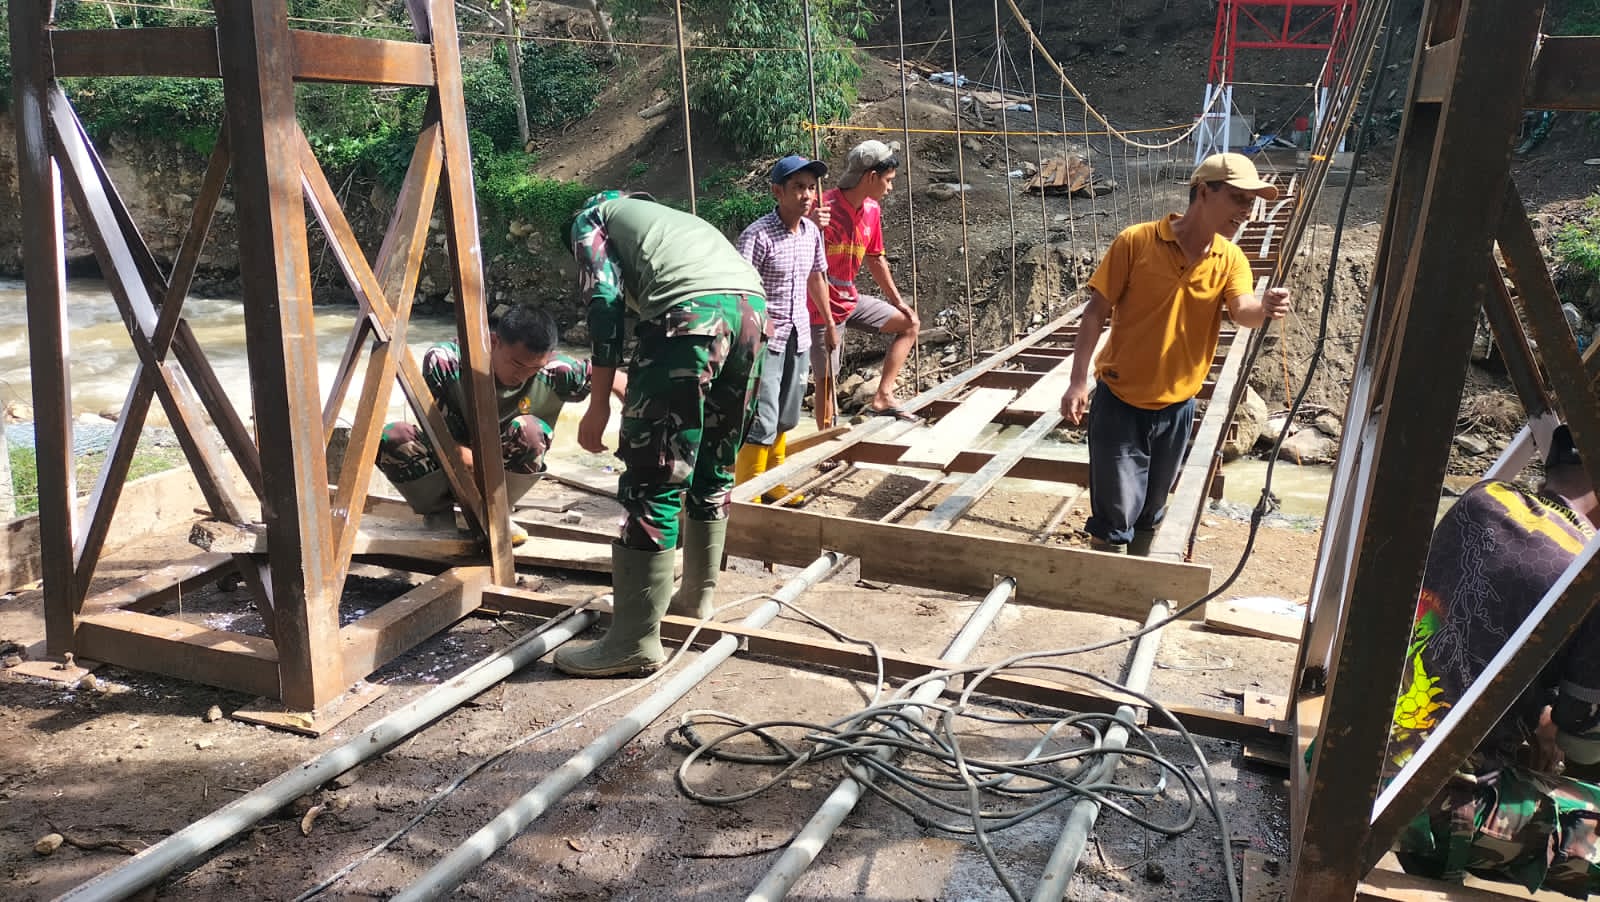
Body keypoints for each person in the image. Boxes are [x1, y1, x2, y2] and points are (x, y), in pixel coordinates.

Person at [1374, 424, 1600, 895]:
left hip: (1354, 764)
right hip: (1430, 809)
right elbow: (1582, 748)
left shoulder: (1481, 498)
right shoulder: (1589, 572)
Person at [554, 191, 767, 677]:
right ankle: (695, 599)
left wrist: (598, 404)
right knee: (714, 463)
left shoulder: (589, 220)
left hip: (690, 317)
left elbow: (605, 304)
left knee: (654, 477)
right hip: (752, 315)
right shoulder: (665, 219)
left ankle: (633, 643)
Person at [1058, 152, 1292, 555]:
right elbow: (1095, 313)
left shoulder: (1231, 259)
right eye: (1238, 198)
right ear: (1204, 192)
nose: (1246, 211)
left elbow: (1243, 311)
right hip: (1120, 401)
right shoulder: (1136, 242)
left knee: (1151, 511)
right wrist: (1078, 382)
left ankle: (1137, 579)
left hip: (1178, 408)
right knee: (1114, 517)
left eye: (1251, 202)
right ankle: (1106, 579)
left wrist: (1265, 308)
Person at [376, 304, 617, 531]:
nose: (523, 375)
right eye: (516, 364)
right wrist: (465, 456)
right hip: (445, 463)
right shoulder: (445, 360)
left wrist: (602, 410)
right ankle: (438, 513)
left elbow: (616, 378)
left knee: (531, 430)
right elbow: (436, 432)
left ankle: (497, 511)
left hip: (499, 477)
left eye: (534, 368)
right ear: (494, 342)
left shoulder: (554, 371)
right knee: (394, 436)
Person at [735, 154, 830, 502]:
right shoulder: (757, 236)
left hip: (798, 334)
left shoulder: (811, 233)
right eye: (798, 187)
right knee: (762, 414)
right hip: (765, 339)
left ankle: (774, 481)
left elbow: (816, 277)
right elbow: (740, 290)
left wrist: (829, 322)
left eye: (811, 188)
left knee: (788, 413)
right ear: (778, 191)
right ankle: (748, 488)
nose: (807, 195)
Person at [811, 139, 921, 425]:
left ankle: (883, 395)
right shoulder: (821, 208)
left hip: (849, 298)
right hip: (819, 308)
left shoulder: (872, 210)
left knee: (909, 324)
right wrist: (809, 224)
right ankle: (825, 438)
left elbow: (876, 259)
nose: (890, 187)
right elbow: (794, 245)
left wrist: (898, 302)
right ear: (871, 177)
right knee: (827, 380)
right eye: (888, 180)